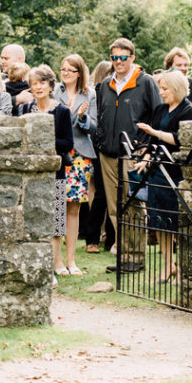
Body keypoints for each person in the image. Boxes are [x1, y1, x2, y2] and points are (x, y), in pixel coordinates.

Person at [95, 38, 160, 273]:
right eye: (114, 57)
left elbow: (157, 115)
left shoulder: (145, 82)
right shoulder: (104, 84)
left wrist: (147, 147)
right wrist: (100, 140)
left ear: (132, 57)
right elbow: (100, 114)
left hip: (133, 153)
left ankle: (136, 258)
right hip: (108, 153)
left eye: (123, 57)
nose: (118, 62)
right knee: (114, 207)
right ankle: (124, 256)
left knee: (133, 204)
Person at [135, 69, 192, 283]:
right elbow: (153, 142)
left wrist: (156, 134)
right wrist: (145, 159)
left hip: (176, 172)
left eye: (165, 89)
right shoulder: (160, 109)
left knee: (178, 221)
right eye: (160, 89)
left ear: (176, 88)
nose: (161, 93)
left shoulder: (190, 111)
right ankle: (168, 265)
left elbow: (182, 140)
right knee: (159, 220)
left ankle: (182, 267)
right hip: (157, 172)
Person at [24, 65, 74, 277]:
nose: (38, 87)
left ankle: (57, 261)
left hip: (56, 170)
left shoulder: (62, 111)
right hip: (32, 173)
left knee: (57, 219)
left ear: (51, 85)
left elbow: (68, 143)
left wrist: (43, 141)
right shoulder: (26, 110)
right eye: (34, 84)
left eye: (42, 82)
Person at [54, 55, 97, 275]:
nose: (66, 73)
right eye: (63, 69)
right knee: (57, 205)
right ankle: (57, 261)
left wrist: (81, 117)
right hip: (60, 153)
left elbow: (94, 126)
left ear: (79, 72)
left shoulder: (89, 94)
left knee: (74, 207)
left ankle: (71, 260)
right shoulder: (54, 91)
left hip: (80, 155)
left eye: (71, 70)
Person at [81, 59, 115, 254]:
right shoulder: (97, 93)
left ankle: (111, 239)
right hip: (98, 143)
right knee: (101, 193)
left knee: (113, 194)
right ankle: (92, 237)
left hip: (112, 144)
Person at [163, 47, 192, 112]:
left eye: (185, 65)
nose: (183, 68)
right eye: (179, 65)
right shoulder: (162, 88)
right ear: (169, 67)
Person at [0, 43, 33, 110]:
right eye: (2, 58)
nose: (2, 61)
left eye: (6, 58)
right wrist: (16, 99)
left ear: (20, 60)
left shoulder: (34, 80)